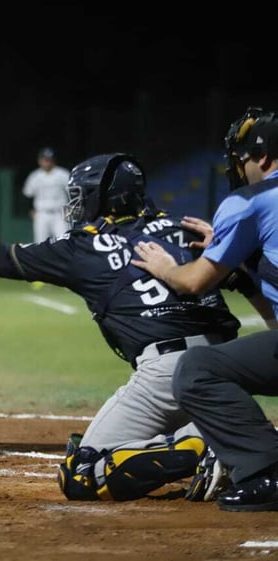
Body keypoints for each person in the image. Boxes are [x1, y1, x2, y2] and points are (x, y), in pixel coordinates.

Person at [0, 153, 251, 500]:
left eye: (81, 195)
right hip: (229, 366)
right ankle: (223, 434)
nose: (75, 203)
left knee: (83, 473)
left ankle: (201, 446)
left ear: (102, 198)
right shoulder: (189, 227)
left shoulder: (86, 245)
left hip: (169, 374)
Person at [132, 107, 278, 511]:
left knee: (197, 370)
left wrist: (168, 267)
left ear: (262, 158)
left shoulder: (249, 201)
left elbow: (194, 282)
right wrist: (240, 259)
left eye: (243, 158)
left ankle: (265, 471)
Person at [22, 147, 71, 244]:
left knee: (63, 241)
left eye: (49, 160)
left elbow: (72, 192)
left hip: (60, 214)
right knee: (40, 244)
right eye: (44, 159)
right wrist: (30, 210)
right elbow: (27, 194)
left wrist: (70, 208)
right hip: (41, 214)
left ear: (53, 161)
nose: (46, 162)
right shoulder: (34, 176)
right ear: (39, 160)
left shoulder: (63, 174)